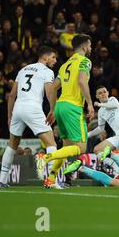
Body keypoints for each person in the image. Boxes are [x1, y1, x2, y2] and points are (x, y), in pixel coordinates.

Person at [0, 46, 58, 188]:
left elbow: (12, 95)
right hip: (33, 108)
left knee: (12, 145)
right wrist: (52, 109)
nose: (55, 60)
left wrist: (9, 116)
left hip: (18, 108)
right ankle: (51, 180)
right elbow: (50, 93)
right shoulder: (47, 71)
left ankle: (2, 181)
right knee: (51, 144)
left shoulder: (23, 69)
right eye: (53, 57)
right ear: (45, 57)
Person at [41, 34, 95, 188]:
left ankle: (51, 178)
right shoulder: (85, 61)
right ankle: (47, 157)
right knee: (81, 148)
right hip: (73, 107)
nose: (90, 48)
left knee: (66, 149)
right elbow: (81, 81)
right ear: (84, 47)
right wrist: (90, 104)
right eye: (89, 45)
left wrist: (52, 108)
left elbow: (52, 88)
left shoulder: (65, 65)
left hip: (60, 106)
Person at [87, 86, 119, 163]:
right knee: (97, 149)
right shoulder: (101, 112)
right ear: (97, 96)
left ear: (108, 93)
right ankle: (116, 167)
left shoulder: (112, 100)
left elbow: (113, 105)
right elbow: (100, 129)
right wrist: (87, 135)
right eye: (100, 93)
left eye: (104, 92)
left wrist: (98, 104)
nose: (103, 94)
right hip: (118, 135)